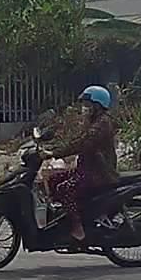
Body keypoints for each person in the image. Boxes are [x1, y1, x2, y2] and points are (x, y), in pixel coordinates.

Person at [44, 85, 119, 241]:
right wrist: (52, 148)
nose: (85, 108)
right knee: (53, 179)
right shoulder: (92, 122)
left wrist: (54, 153)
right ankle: (66, 216)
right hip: (86, 169)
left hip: (99, 173)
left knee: (65, 188)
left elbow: (82, 144)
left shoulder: (102, 124)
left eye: (88, 105)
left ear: (98, 105)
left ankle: (77, 226)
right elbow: (76, 140)